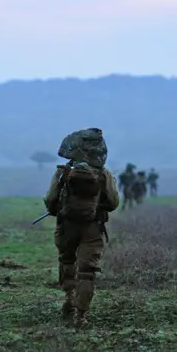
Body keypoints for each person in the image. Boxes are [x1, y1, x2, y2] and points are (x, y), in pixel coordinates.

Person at [44, 128, 120, 328]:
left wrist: (58, 211)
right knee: (87, 272)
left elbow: (51, 199)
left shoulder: (63, 172)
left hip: (66, 225)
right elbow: (113, 203)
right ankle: (81, 315)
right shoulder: (104, 174)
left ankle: (69, 298)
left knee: (66, 261)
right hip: (92, 228)